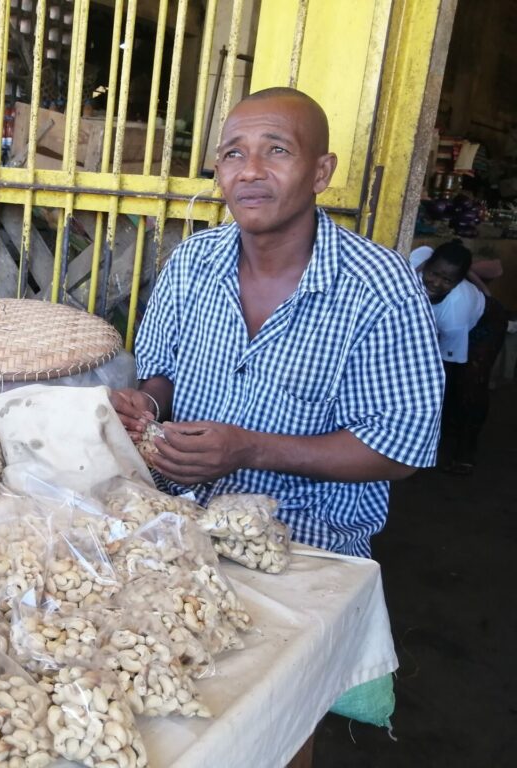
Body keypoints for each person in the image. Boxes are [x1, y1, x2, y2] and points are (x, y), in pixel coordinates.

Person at [110, 87, 444, 558]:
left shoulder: (380, 287)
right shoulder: (191, 262)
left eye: (278, 150)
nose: (249, 171)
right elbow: (162, 376)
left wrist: (252, 449)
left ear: (320, 172)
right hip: (173, 519)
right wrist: (144, 406)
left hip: (306, 543)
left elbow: (399, 447)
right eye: (233, 154)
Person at [410, 240, 507, 474]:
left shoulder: (455, 310)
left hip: (484, 325)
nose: (436, 283)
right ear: (427, 263)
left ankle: (465, 452)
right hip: (440, 326)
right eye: (433, 273)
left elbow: (445, 369)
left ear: (458, 282)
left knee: (469, 385)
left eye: (447, 280)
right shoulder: (417, 258)